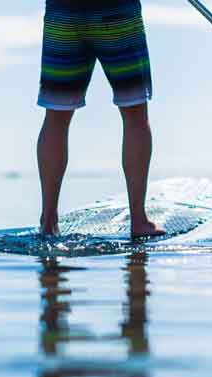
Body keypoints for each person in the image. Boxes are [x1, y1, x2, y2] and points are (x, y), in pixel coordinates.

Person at [37, 0, 164, 238]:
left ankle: (48, 220)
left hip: (62, 14)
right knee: (134, 113)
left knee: (56, 116)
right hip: (116, 14)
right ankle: (139, 220)